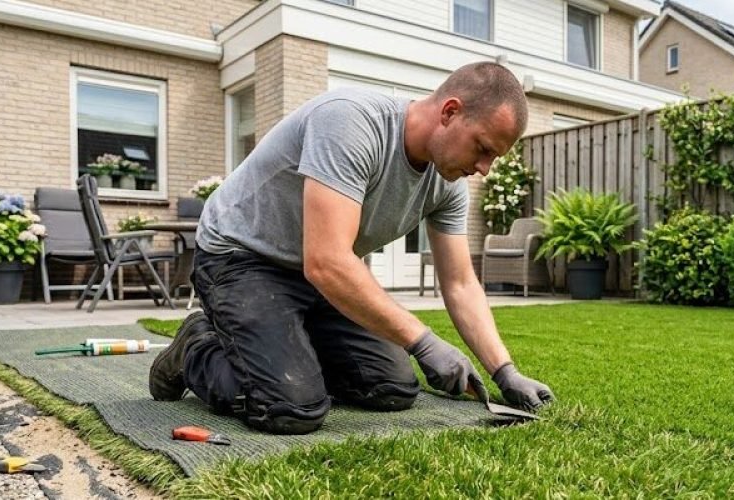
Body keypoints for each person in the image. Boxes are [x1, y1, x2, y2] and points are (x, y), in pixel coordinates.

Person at [148, 61, 554, 435]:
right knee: (290, 407)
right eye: (483, 148)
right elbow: (327, 261)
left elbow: (462, 284)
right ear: (449, 112)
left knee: (391, 388)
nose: (484, 168)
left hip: (314, 274)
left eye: (493, 158)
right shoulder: (351, 121)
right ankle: (195, 347)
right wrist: (425, 342)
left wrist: (505, 372)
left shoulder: (448, 184)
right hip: (240, 257)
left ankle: (286, 343)